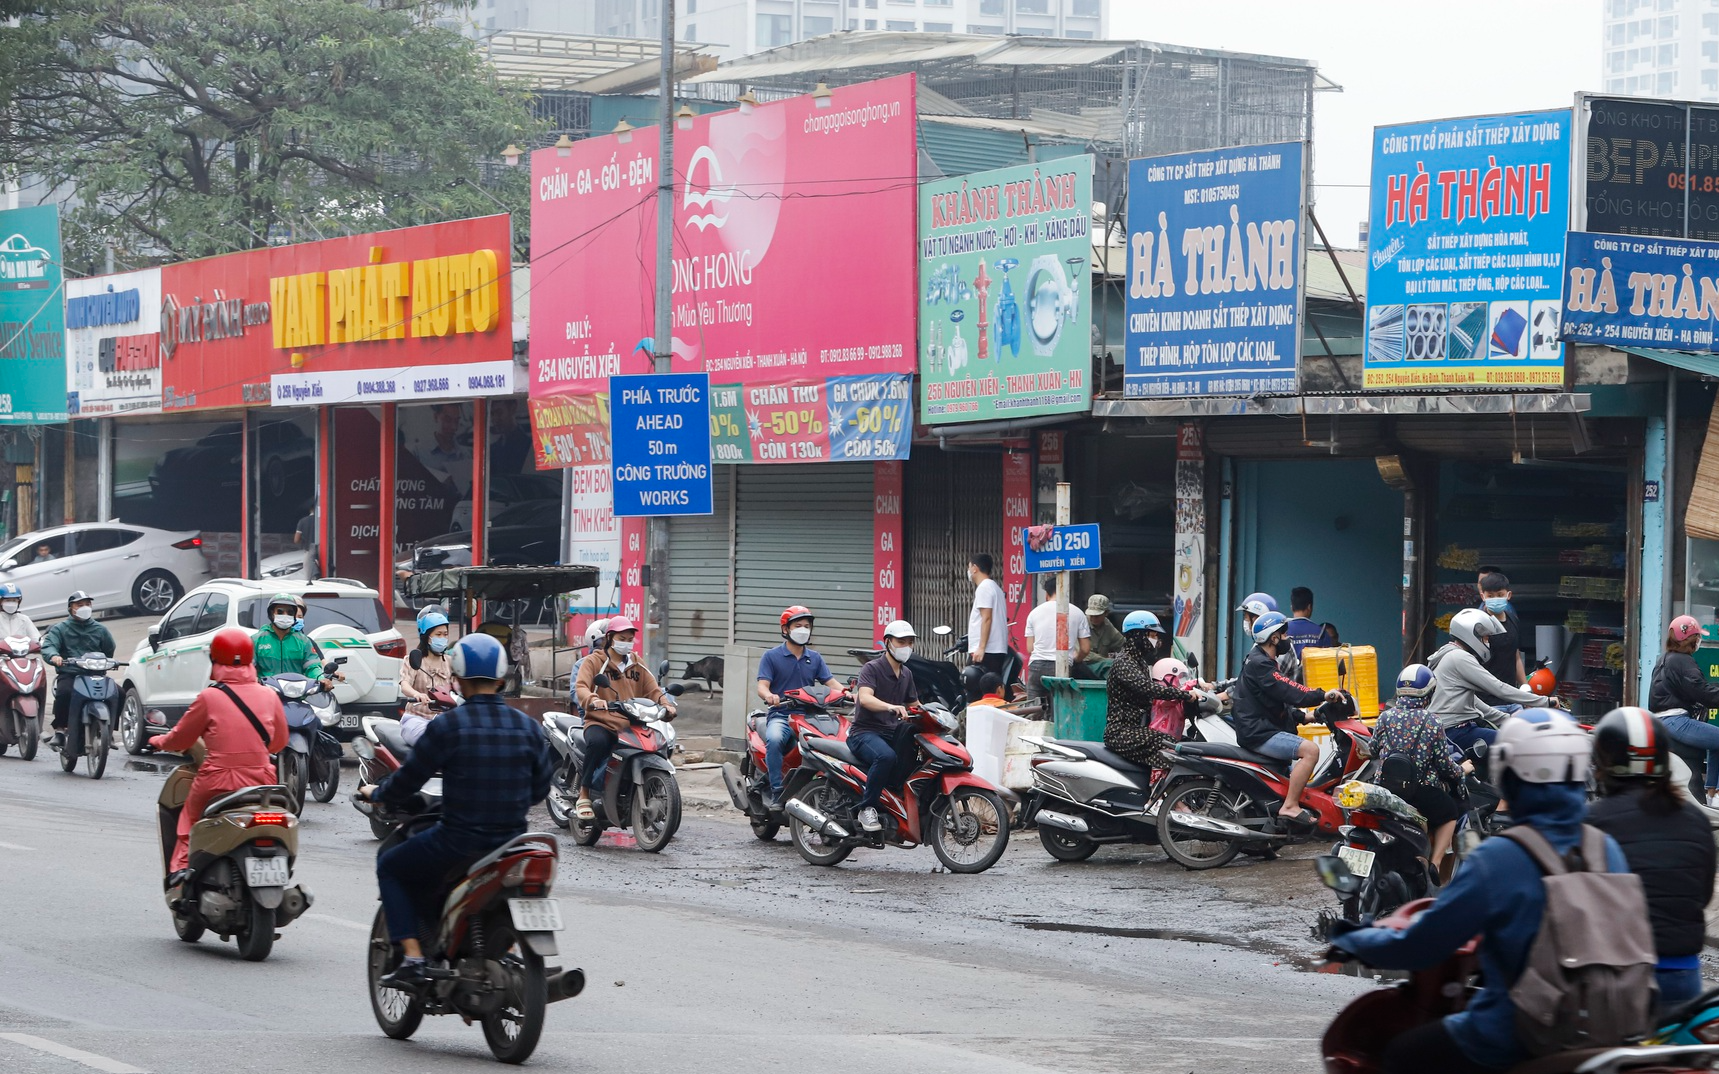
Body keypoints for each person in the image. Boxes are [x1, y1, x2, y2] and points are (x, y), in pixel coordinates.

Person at [1329, 710, 1629, 1074]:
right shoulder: (1606, 848)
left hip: (1514, 1032)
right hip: (1600, 1029)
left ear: (1509, 775)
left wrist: (1358, 941)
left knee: (1400, 1053)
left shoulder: (1502, 856)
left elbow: (1427, 941)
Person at [359, 634, 554, 990]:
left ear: (458, 679)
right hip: (512, 843)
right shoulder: (527, 727)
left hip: (459, 842)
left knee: (390, 865)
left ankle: (415, 960)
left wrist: (377, 792)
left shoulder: (447, 726)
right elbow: (540, 789)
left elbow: (408, 780)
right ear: (500, 678)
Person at [1587, 706, 1716, 1013]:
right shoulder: (1695, 821)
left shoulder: (1592, 822)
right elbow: (1701, 895)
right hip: (1683, 978)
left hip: (1617, 977)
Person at [148, 628, 286, 879]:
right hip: (263, 781)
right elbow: (279, 742)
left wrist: (158, 740)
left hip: (217, 781)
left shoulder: (210, 697)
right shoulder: (269, 695)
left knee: (189, 821)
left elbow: (181, 738)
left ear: (215, 659)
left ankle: (180, 874)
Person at [1231, 611, 1340, 829]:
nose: (1287, 639)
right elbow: (1290, 691)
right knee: (1311, 751)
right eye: (1284, 635)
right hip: (1259, 732)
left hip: (1262, 727)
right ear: (1274, 638)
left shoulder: (1263, 662)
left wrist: (1306, 716)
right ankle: (1289, 806)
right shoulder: (1260, 664)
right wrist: (1322, 694)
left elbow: (1275, 702)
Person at [572, 615, 675, 820]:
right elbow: (581, 686)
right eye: (622, 638)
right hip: (601, 720)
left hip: (631, 722)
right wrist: (593, 699)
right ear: (610, 637)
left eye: (630, 639)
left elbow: (653, 690)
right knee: (598, 742)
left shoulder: (637, 663)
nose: (626, 643)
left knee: (657, 742)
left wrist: (666, 704)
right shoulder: (594, 661)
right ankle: (584, 793)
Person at [1374, 664, 1469, 869]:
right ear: (1429, 693)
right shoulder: (1432, 721)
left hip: (1387, 789)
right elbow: (1444, 764)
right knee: (1450, 812)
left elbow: (1373, 749)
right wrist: (1462, 770)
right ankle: (1434, 864)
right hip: (1419, 791)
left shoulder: (1384, 717)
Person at [1429, 608, 1553, 762]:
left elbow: (1473, 702)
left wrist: (1506, 719)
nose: (1487, 643)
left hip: (1453, 730)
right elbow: (1498, 688)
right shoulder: (1459, 657)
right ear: (1470, 635)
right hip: (1455, 732)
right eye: (1485, 638)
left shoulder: (1449, 654)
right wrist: (1545, 701)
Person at [754, 605, 841, 809]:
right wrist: (769, 696)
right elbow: (762, 686)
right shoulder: (771, 656)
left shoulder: (815, 658)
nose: (803, 629)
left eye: (806, 626)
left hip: (810, 717)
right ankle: (777, 792)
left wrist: (850, 695)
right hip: (781, 715)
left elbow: (832, 684)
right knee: (774, 740)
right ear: (785, 629)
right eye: (798, 625)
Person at [850, 619, 922, 833]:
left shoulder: (906, 674)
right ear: (887, 642)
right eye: (901, 641)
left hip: (892, 733)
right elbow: (865, 699)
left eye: (910, 642)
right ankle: (867, 808)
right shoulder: (872, 668)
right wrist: (891, 707)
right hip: (864, 732)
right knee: (886, 757)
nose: (906, 647)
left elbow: (915, 705)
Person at [1101, 612, 1199, 768]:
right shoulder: (1124, 663)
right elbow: (1147, 688)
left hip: (1138, 729)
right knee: (1172, 747)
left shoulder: (1138, 662)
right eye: (1152, 635)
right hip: (1122, 733)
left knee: (1187, 746)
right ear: (1138, 635)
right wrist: (1184, 695)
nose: (1156, 641)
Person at [1648, 614, 1719, 805]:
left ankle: (1711, 792)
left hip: (1662, 721)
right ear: (1691, 639)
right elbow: (1701, 691)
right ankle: (1714, 795)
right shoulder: (1683, 660)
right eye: (1697, 637)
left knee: (1715, 741)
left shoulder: (1664, 659)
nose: (1698, 641)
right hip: (1676, 721)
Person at [41, 591, 115, 751]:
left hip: (95, 674)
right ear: (71, 608)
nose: (85, 608)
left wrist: (106, 663)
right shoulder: (60, 629)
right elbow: (48, 646)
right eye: (80, 605)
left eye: (87, 604)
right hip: (71, 673)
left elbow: (110, 649)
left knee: (118, 693)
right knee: (64, 692)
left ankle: (109, 731)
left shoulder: (100, 629)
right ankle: (60, 730)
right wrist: (54, 656)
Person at [1023, 577, 1091, 701]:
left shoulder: (1034, 613)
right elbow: (1085, 649)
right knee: (1059, 710)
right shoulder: (1078, 613)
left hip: (1037, 665)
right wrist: (1076, 658)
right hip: (1062, 666)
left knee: (1033, 711)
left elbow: (1029, 648)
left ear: (1047, 595)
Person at [399, 607, 456, 746]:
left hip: (444, 721)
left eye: (445, 634)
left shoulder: (450, 662)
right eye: (438, 634)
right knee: (429, 743)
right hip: (416, 719)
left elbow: (459, 687)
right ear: (426, 636)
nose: (442, 638)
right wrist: (417, 694)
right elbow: (405, 684)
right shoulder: (414, 659)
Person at [252, 592, 336, 685]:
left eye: (290, 612)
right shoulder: (256, 641)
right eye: (280, 611)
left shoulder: (304, 641)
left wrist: (321, 679)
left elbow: (312, 667)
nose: (285, 615)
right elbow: (248, 668)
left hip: (297, 694)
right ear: (272, 613)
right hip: (266, 694)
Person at [0, 582, 44, 729]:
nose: (11, 603)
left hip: (21, 660)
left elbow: (37, 638)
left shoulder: (24, 619)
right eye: (7, 600)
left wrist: (43, 644)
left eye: (14, 600)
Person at [1477, 571, 1525, 702]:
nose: (1495, 599)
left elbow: (1516, 657)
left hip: (1510, 697)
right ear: (1483, 596)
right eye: (1490, 596)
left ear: (1508, 595)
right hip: (1484, 701)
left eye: (1500, 595)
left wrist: (1525, 686)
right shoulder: (1477, 624)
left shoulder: (1513, 620)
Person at [965, 554, 1009, 673]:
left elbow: (987, 618)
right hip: (994, 651)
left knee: (974, 686)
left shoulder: (984, 587)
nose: (968, 571)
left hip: (987, 652)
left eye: (969, 567)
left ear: (975, 568)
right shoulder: (995, 587)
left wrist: (981, 647)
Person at [1284, 586, 1335, 659]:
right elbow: (1328, 659)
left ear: (1291, 607)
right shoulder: (1321, 633)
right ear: (1309, 607)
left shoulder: (1282, 631)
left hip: (1286, 670)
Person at [1085, 594, 1125, 658]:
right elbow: (1082, 653)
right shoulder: (1082, 624)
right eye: (1091, 615)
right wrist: (1105, 661)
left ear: (1106, 613)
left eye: (1097, 616)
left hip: (1102, 665)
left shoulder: (1108, 626)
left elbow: (1122, 644)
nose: (1093, 618)